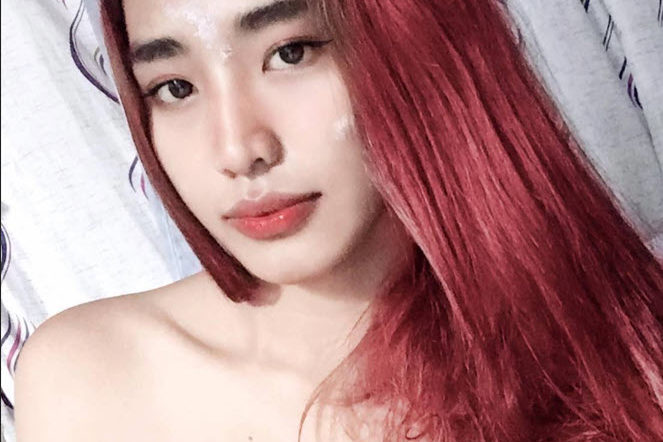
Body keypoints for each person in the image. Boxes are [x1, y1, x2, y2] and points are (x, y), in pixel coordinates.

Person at [13, 0, 663, 440]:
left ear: (416, 46)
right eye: (174, 87)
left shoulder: (620, 355)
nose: (238, 148)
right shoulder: (92, 382)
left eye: (291, 53)